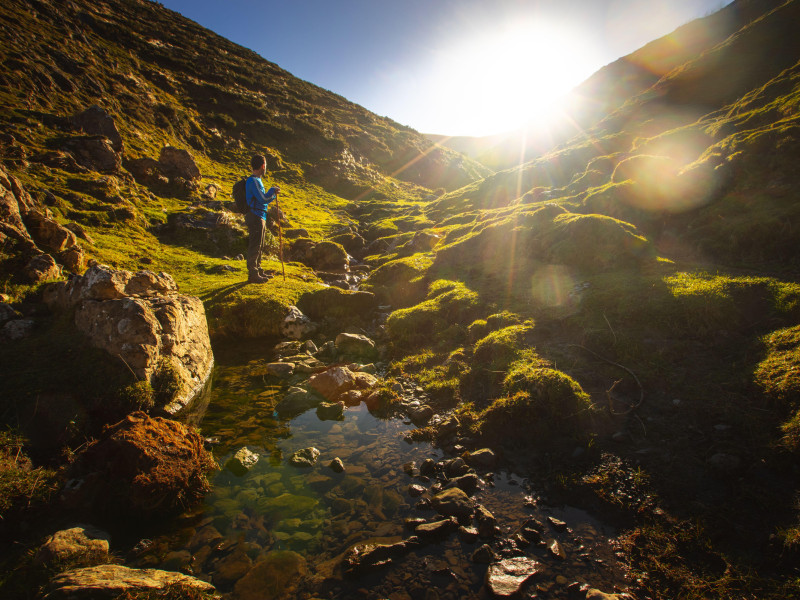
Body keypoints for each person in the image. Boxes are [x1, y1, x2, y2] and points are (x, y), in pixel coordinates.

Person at [245, 154, 280, 284]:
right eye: (265, 165)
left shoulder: (257, 181)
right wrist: (272, 191)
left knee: (260, 244)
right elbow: (263, 199)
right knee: (255, 245)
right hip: (255, 216)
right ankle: (253, 274)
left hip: (260, 215)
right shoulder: (253, 181)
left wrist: (272, 195)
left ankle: (258, 270)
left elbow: (264, 200)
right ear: (262, 166)